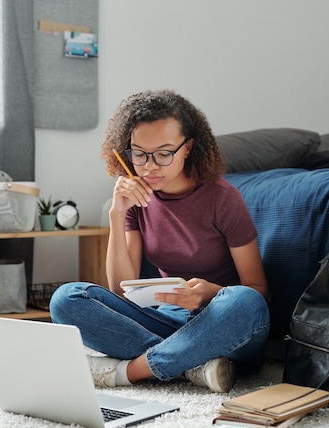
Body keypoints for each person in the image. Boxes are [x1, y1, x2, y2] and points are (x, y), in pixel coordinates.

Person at [50, 89, 270, 393]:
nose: (150, 167)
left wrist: (210, 294)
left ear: (188, 148)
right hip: (168, 322)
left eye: (164, 153)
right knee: (66, 299)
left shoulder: (223, 199)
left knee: (246, 301)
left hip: (224, 324)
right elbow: (120, 290)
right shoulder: (137, 200)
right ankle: (192, 365)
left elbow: (259, 292)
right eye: (139, 154)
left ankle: (132, 371)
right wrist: (117, 214)